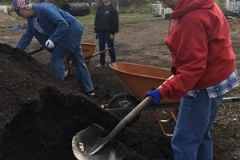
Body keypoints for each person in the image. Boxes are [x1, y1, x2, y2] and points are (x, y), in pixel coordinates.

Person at [145, 0, 239, 159]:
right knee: (201, 134)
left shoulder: (192, 18)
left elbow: (193, 68)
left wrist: (164, 90)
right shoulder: (204, 4)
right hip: (221, 77)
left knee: (183, 142)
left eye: (165, 0)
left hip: (204, 85)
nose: (164, 5)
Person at [9, 0, 95, 96]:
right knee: (77, 60)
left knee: (56, 59)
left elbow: (63, 24)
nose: (17, 15)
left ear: (25, 8)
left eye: (17, 11)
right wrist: (15, 51)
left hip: (71, 31)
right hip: (67, 33)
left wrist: (52, 39)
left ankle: (60, 92)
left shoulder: (45, 9)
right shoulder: (31, 19)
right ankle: (88, 90)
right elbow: (27, 36)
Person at [94, 0, 119, 68]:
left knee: (110, 47)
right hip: (100, 31)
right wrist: (96, 30)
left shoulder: (113, 9)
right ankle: (102, 63)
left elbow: (115, 22)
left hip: (108, 32)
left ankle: (114, 63)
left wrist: (113, 32)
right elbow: (97, 19)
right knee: (101, 47)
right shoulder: (100, 8)